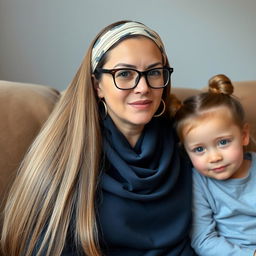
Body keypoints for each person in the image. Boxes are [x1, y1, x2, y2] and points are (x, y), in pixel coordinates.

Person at [1, 20, 196, 256]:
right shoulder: (66, 153)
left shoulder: (188, 140)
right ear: (97, 86)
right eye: (124, 73)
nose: (143, 87)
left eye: (154, 72)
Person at [174, 74, 256, 256]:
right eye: (199, 149)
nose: (214, 157)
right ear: (186, 151)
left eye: (223, 142)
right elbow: (203, 239)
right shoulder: (198, 183)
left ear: (244, 135)